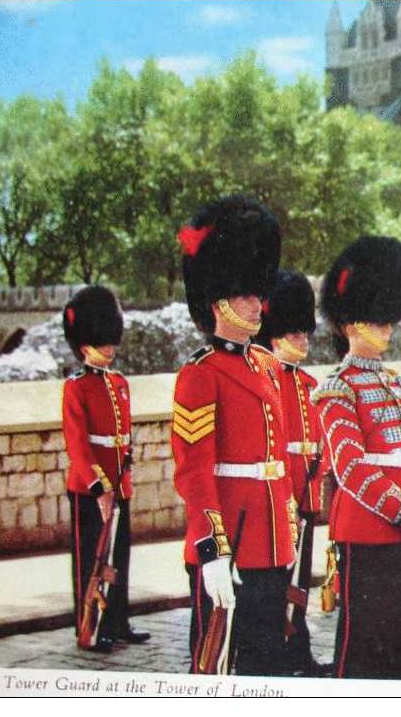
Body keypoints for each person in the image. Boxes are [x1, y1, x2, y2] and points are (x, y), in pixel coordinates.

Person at [171, 195, 298, 675]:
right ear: (218, 300)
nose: (256, 302)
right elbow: (194, 473)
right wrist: (211, 551)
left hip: (269, 541)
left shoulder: (266, 364)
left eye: (256, 292)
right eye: (245, 294)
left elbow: (278, 458)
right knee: (218, 671)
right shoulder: (200, 373)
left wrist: (286, 533)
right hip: (232, 541)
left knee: (269, 669)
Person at [312, 236, 401, 680]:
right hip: (366, 531)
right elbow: (349, 466)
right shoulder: (337, 387)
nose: (387, 327)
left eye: (389, 319)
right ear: (350, 324)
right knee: (362, 643)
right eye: (377, 318)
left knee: (397, 641)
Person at [62, 285, 150, 653]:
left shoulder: (119, 384)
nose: (111, 349)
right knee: (92, 562)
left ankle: (118, 620)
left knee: (120, 559)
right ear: (85, 345)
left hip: (120, 486)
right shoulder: (76, 388)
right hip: (90, 490)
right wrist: (100, 489)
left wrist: (120, 483)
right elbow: (79, 447)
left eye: (112, 342)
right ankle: (90, 624)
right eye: (104, 342)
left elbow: (122, 438)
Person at [257, 269, 332, 677]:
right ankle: (279, 653)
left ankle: (298, 650)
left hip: (305, 496)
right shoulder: (266, 379)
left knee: (300, 581)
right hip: (280, 498)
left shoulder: (307, 383)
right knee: (276, 583)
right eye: (296, 333)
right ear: (275, 334)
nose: (304, 339)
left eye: (305, 332)